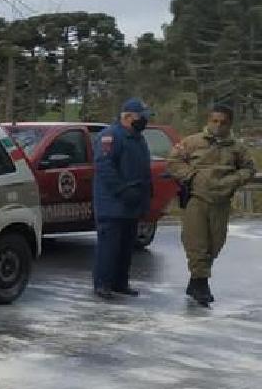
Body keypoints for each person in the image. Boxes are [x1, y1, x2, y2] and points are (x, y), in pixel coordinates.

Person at [166, 104, 257, 306]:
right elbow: (173, 162)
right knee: (196, 242)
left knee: (215, 243)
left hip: (221, 201)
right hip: (197, 198)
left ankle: (196, 280)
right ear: (208, 121)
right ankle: (201, 284)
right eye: (214, 121)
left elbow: (249, 169)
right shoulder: (192, 142)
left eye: (223, 122)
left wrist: (233, 180)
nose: (218, 125)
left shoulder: (236, 147)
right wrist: (193, 176)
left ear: (229, 124)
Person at [92, 98, 154, 300]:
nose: (145, 121)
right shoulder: (110, 136)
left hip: (132, 203)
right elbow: (105, 168)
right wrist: (122, 190)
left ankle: (120, 283)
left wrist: (145, 196)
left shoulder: (138, 138)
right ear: (127, 117)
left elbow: (144, 170)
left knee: (126, 247)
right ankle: (103, 283)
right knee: (109, 246)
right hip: (112, 203)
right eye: (141, 117)